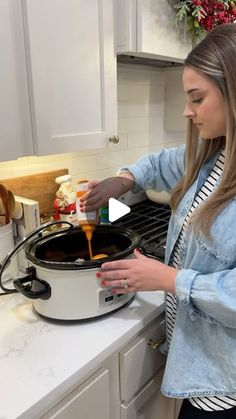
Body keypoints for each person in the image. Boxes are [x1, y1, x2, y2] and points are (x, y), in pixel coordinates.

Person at [80, 23, 236, 418]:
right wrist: (125, 178)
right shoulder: (212, 153)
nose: (187, 110)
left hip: (224, 385)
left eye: (197, 98)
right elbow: (159, 163)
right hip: (199, 361)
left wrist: (168, 278)